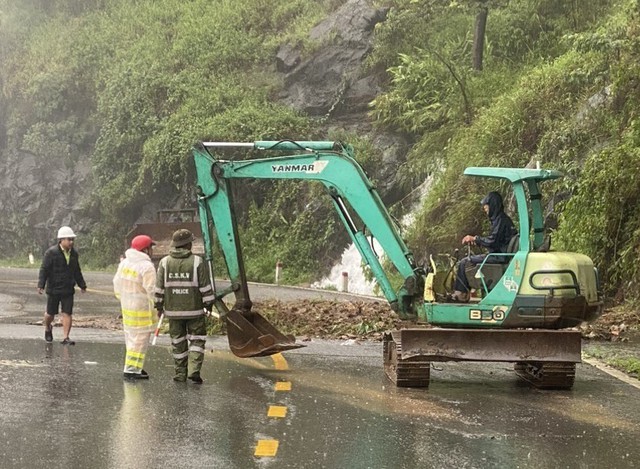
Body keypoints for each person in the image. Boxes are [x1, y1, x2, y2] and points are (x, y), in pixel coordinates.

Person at [154, 229, 214, 384]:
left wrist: (159, 307)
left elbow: (159, 289)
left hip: (173, 313)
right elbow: (205, 287)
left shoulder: (164, 262)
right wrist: (209, 304)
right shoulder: (197, 262)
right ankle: (194, 371)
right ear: (187, 244)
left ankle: (180, 374)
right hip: (195, 312)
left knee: (178, 342)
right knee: (197, 340)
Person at [452, 191, 518, 302]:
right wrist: (478, 241)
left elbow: (492, 241)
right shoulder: (501, 219)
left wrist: (475, 239)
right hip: (499, 254)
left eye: (486, 205)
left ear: (493, 205)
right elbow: (495, 240)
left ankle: (460, 296)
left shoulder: (501, 220)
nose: (484, 208)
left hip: (499, 256)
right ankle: (468, 292)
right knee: (468, 261)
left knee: (464, 263)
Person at [113, 235, 157, 380]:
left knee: (131, 339)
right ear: (145, 249)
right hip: (142, 309)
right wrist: (158, 304)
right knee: (140, 341)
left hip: (127, 308)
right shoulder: (147, 266)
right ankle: (131, 370)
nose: (152, 250)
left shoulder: (125, 263)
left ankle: (135, 367)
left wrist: (123, 298)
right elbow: (152, 290)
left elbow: (116, 283)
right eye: (151, 247)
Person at [37, 226, 87, 344]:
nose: (71, 242)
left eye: (72, 239)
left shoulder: (74, 254)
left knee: (67, 312)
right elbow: (44, 269)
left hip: (68, 289)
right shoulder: (51, 253)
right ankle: (48, 327)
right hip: (54, 288)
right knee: (50, 314)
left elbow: (77, 270)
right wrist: (41, 284)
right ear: (61, 240)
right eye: (69, 239)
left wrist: (82, 285)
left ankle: (66, 337)